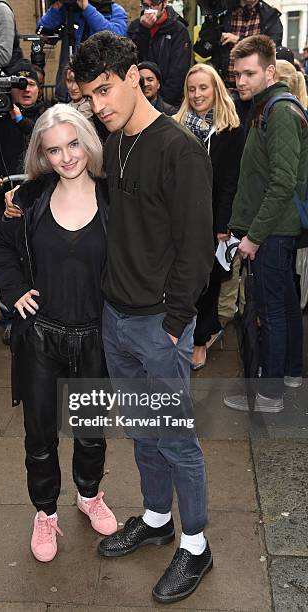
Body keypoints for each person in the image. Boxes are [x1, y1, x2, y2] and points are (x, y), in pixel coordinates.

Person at [70, 32, 215, 603]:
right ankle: (157, 519)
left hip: (159, 324)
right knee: (143, 431)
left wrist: (176, 322)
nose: (99, 105)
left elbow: (196, 247)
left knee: (177, 439)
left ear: (136, 76)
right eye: (90, 97)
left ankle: (197, 546)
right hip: (117, 317)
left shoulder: (179, 148)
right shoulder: (115, 144)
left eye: (105, 90)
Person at [0, 104, 118, 563]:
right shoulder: (28, 198)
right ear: (42, 156)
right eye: (55, 149)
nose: (67, 157)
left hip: (95, 336)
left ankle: (89, 494)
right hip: (40, 337)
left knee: (90, 433)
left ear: (89, 140)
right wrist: (16, 290)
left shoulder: (113, 193)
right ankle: (45, 513)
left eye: (74, 143)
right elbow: (0, 248)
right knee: (40, 436)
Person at [223, 35, 308, 413]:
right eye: (237, 74)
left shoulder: (280, 111)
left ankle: (270, 395)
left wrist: (254, 236)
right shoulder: (266, 107)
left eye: (249, 73)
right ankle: (289, 375)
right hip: (274, 228)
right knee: (285, 305)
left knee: (271, 310)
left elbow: (282, 181)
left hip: (273, 230)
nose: (241, 81)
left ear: (270, 71)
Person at [174, 64, 245, 370]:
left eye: (203, 87)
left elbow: (231, 180)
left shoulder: (231, 129)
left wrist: (222, 224)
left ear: (215, 89)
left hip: (213, 218)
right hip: (180, 216)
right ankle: (182, 332)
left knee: (208, 282)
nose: (197, 94)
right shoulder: (176, 126)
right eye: (192, 89)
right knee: (181, 280)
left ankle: (200, 340)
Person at [0, 59, 49, 344]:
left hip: (38, 199)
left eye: (31, 83)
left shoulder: (43, 115)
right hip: (6, 202)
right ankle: (11, 316)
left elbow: (41, 142)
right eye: (22, 84)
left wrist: (19, 119)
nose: (27, 89)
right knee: (11, 255)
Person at [37, 0, 127, 102]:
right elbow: (42, 28)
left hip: (99, 85)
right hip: (68, 89)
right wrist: (59, 4)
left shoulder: (114, 10)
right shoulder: (70, 10)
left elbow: (117, 36)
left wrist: (86, 8)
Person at [196, 0, 283, 90]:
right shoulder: (223, 13)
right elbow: (202, 50)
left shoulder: (270, 16)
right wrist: (211, 21)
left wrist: (239, 40)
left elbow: (272, 48)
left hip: (257, 90)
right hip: (225, 86)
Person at [128, 0, 191, 107]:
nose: (150, 10)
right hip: (138, 98)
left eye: (154, 5)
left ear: (164, 3)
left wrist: (162, 104)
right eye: (146, 6)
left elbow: (178, 72)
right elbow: (132, 59)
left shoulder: (178, 30)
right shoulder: (135, 27)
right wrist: (143, 30)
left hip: (168, 103)